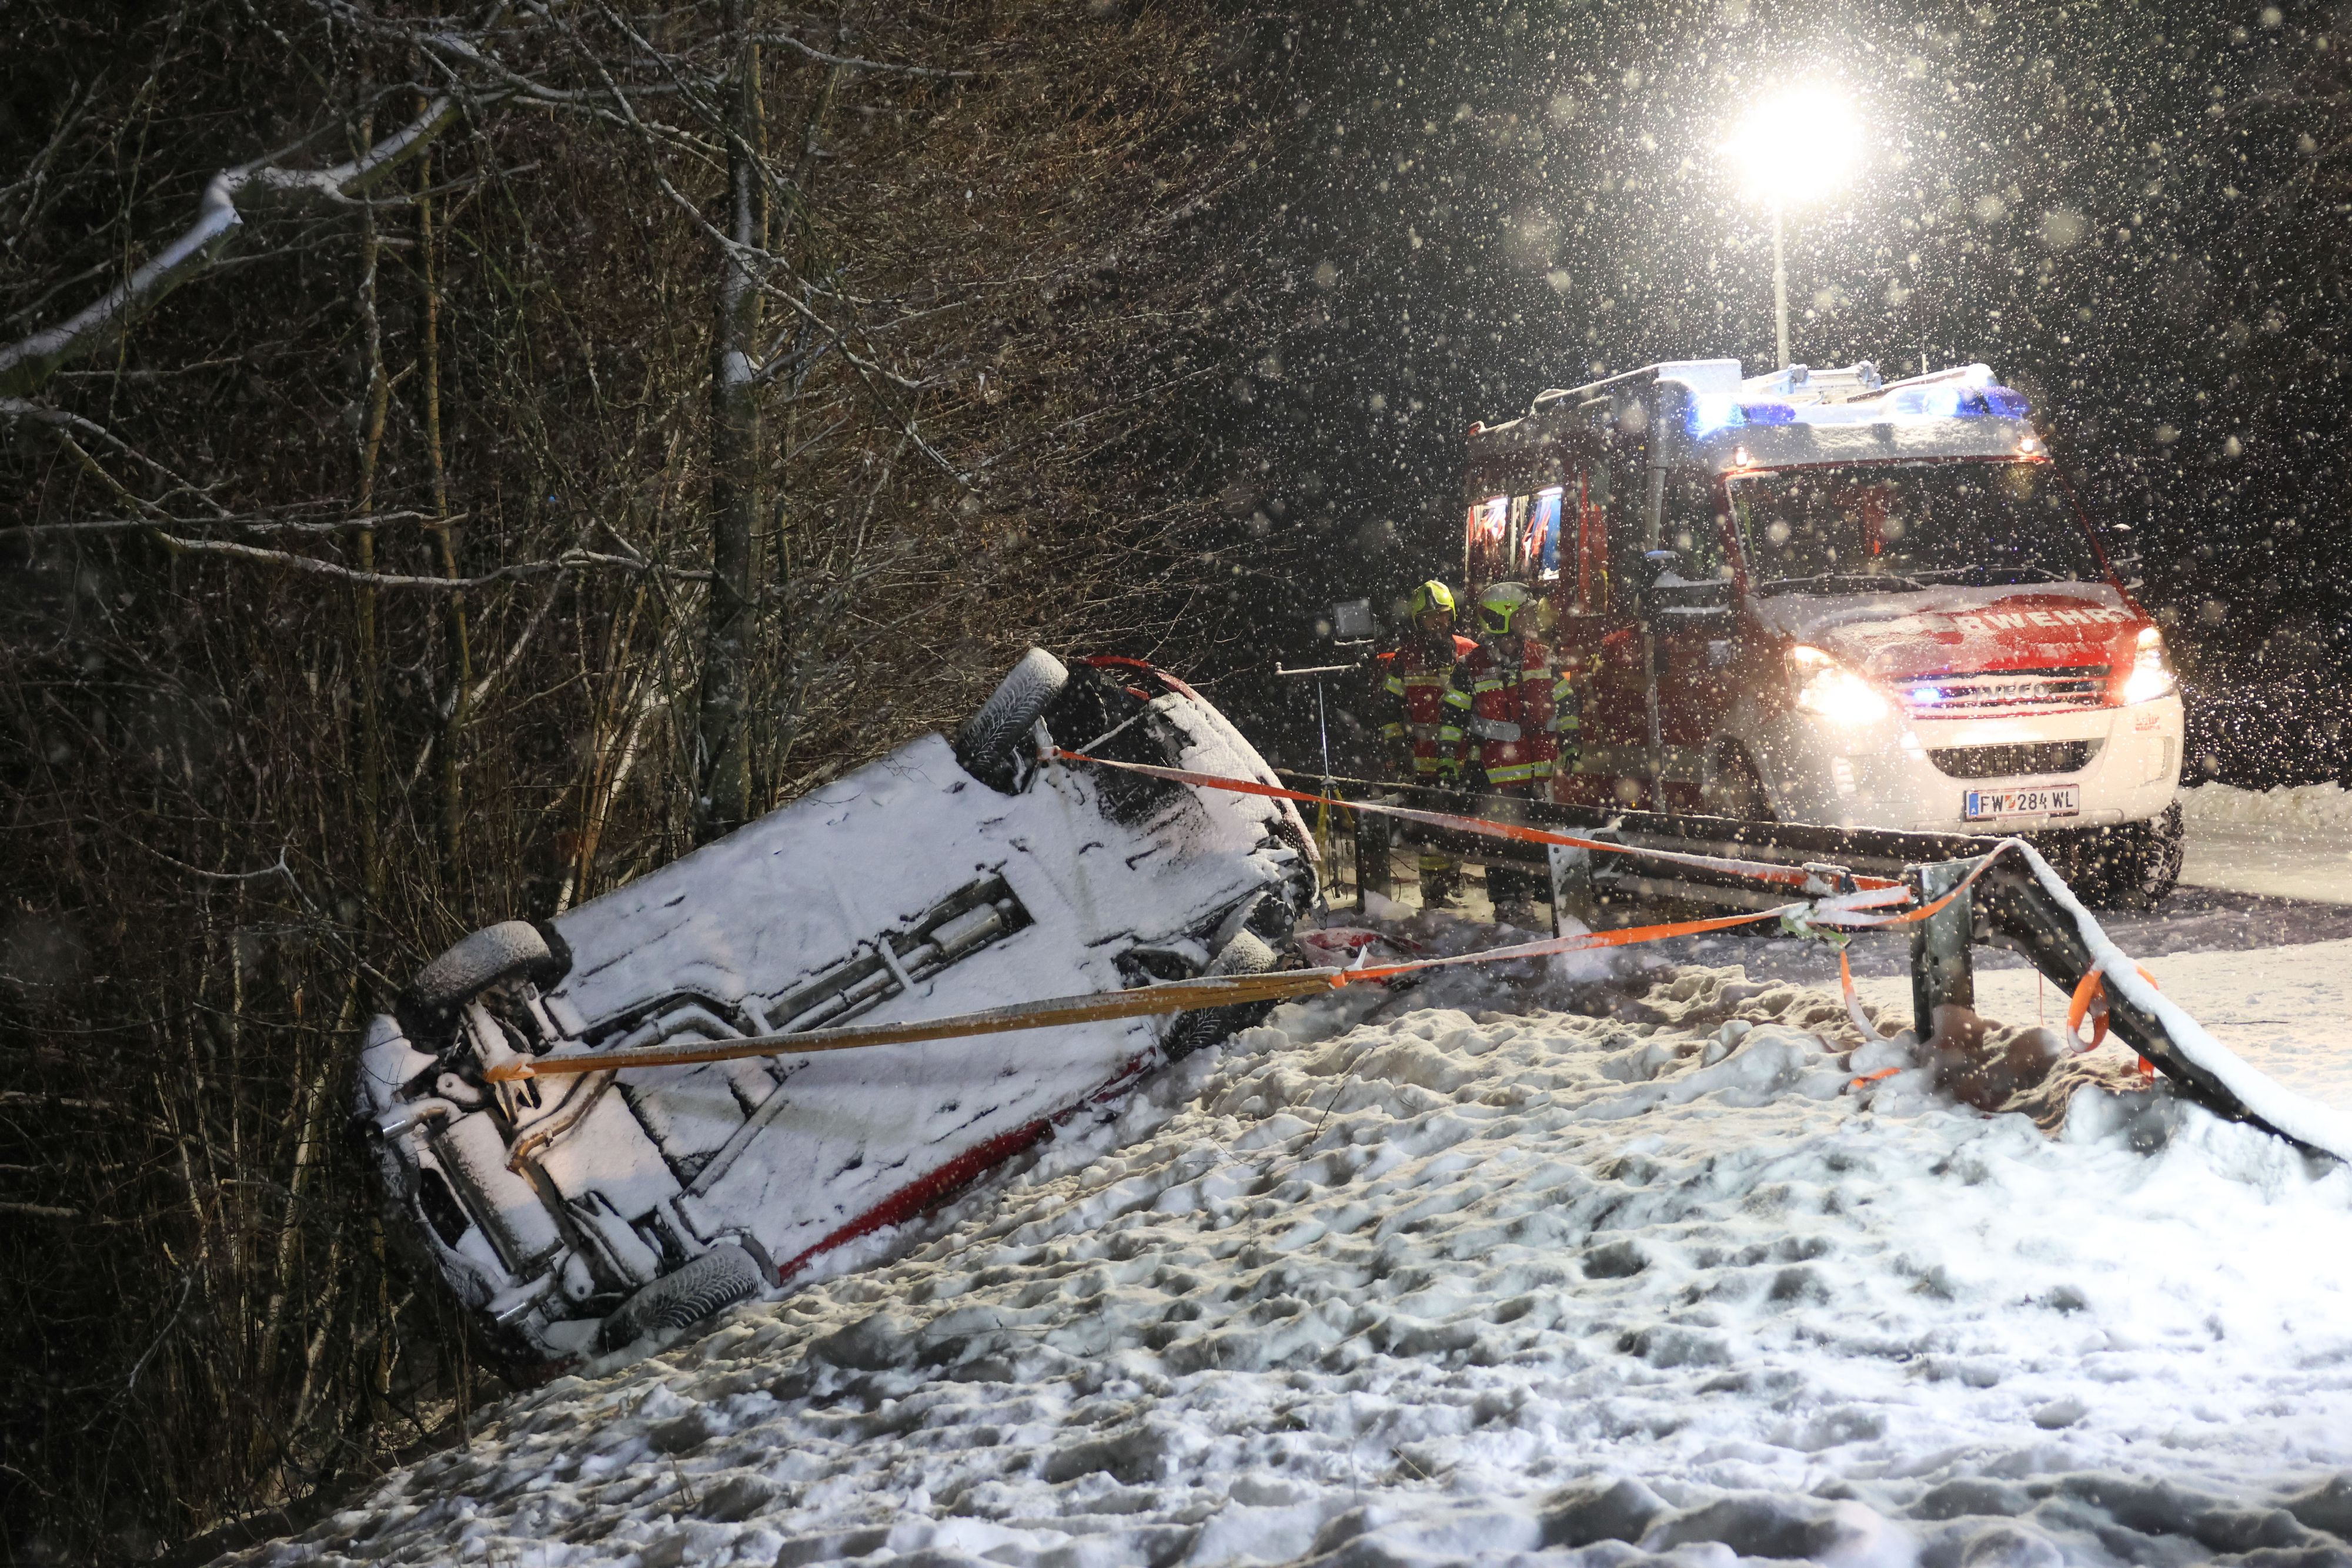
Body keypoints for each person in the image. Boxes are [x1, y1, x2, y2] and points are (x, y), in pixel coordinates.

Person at [1448, 580, 1565, 925]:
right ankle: (1505, 901)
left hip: (1537, 773)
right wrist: (1448, 761)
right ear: (1503, 619)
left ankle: (1529, 897)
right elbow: (1453, 719)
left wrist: (1571, 740)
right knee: (1499, 839)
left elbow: (1566, 703)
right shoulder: (1471, 666)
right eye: (1524, 615)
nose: (1532, 621)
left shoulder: (1542, 656)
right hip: (1494, 775)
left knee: (1533, 838)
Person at [1377, 580, 1478, 905]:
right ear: (1418, 621)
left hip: (1465, 757)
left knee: (1462, 823)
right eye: (1429, 616)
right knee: (1431, 826)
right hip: (1423, 760)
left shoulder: (1470, 652)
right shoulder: (1404, 658)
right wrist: (1397, 749)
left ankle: (1453, 872)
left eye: (1443, 614)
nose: (1437, 622)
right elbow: (1388, 708)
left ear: (1452, 615)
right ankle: (1434, 892)